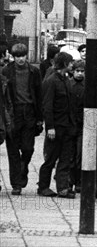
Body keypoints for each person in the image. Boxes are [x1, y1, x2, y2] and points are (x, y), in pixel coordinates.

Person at [2, 44, 44, 196]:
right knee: (12, 150)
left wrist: (40, 118)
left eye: (22, 56)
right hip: (13, 113)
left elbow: (39, 95)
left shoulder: (34, 71)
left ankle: (24, 166)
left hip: (29, 112)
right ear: (13, 57)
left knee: (28, 148)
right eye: (17, 56)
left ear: (27, 56)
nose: (20, 59)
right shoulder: (6, 71)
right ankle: (16, 184)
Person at [38, 52, 76, 198]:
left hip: (67, 126)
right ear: (65, 64)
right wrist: (50, 127)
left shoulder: (66, 80)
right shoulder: (51, 81)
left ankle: (63, 188)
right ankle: (43, 186)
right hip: (56, 127)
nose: (72, 65)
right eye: (70, 63)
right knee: (51, 159)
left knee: (65, 159)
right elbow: (47, 106)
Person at [69, 60, 86, 193]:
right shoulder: (69, 85)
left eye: (82, 71)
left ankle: (79, 181)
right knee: (70, 155)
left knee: (80, 155)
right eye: (78, 71)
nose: (80, 74)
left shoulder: (88, 85)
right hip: (70, 124)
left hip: (83, 124)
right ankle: (70, 181)